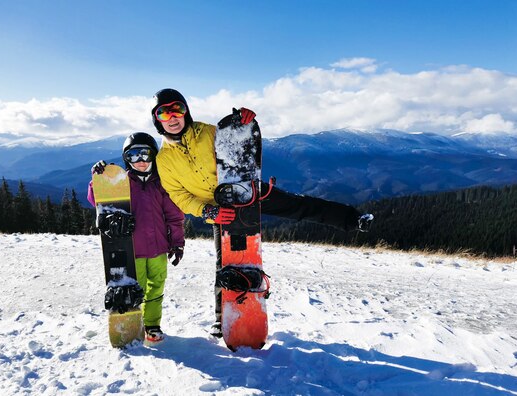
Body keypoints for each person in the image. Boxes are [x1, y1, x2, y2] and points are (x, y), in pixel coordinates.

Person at [151, 88, 374, 338]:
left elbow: (238, 144)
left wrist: (242, 125)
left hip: (249, 192)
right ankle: (222, 318)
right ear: (157, 119)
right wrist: (207, 211)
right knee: (225, 263)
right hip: (221, 210)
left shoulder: (209, 133)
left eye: (177, 109)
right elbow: (179, 195)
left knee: (296, 206)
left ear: (186, 112)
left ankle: (351, 218)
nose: (172, 117)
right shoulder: (164, 160)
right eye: (164, 112)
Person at [87, 132, 185, 342]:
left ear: (154, 156)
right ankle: (134, 324)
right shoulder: (122, 182)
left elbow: (174, 216)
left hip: (159, 248)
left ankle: (152, 324)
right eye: (133, 155)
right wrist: (98, 179)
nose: (140, 161)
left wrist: (177, 243)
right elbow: (97, 199)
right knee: (135, 289)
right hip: (134, 250)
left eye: (145, 154)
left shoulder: (161, 182)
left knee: (157, 288)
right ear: (126, 159)